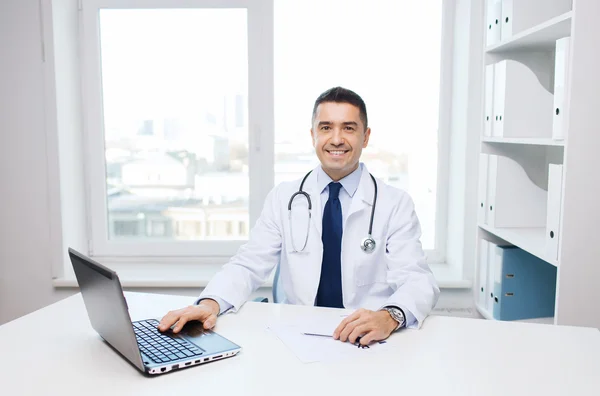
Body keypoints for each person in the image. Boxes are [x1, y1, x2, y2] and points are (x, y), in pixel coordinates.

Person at [159, 87, 439, 345]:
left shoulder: (394, 203)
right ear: (313, 135)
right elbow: (249, 264)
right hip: (297, 336)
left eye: (349, 128)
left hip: (367, 338)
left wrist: (389, 316)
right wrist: (209, 304)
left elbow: (417, 280)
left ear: (365, 137)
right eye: (326, 127)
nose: (337, 139)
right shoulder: (284, 198)